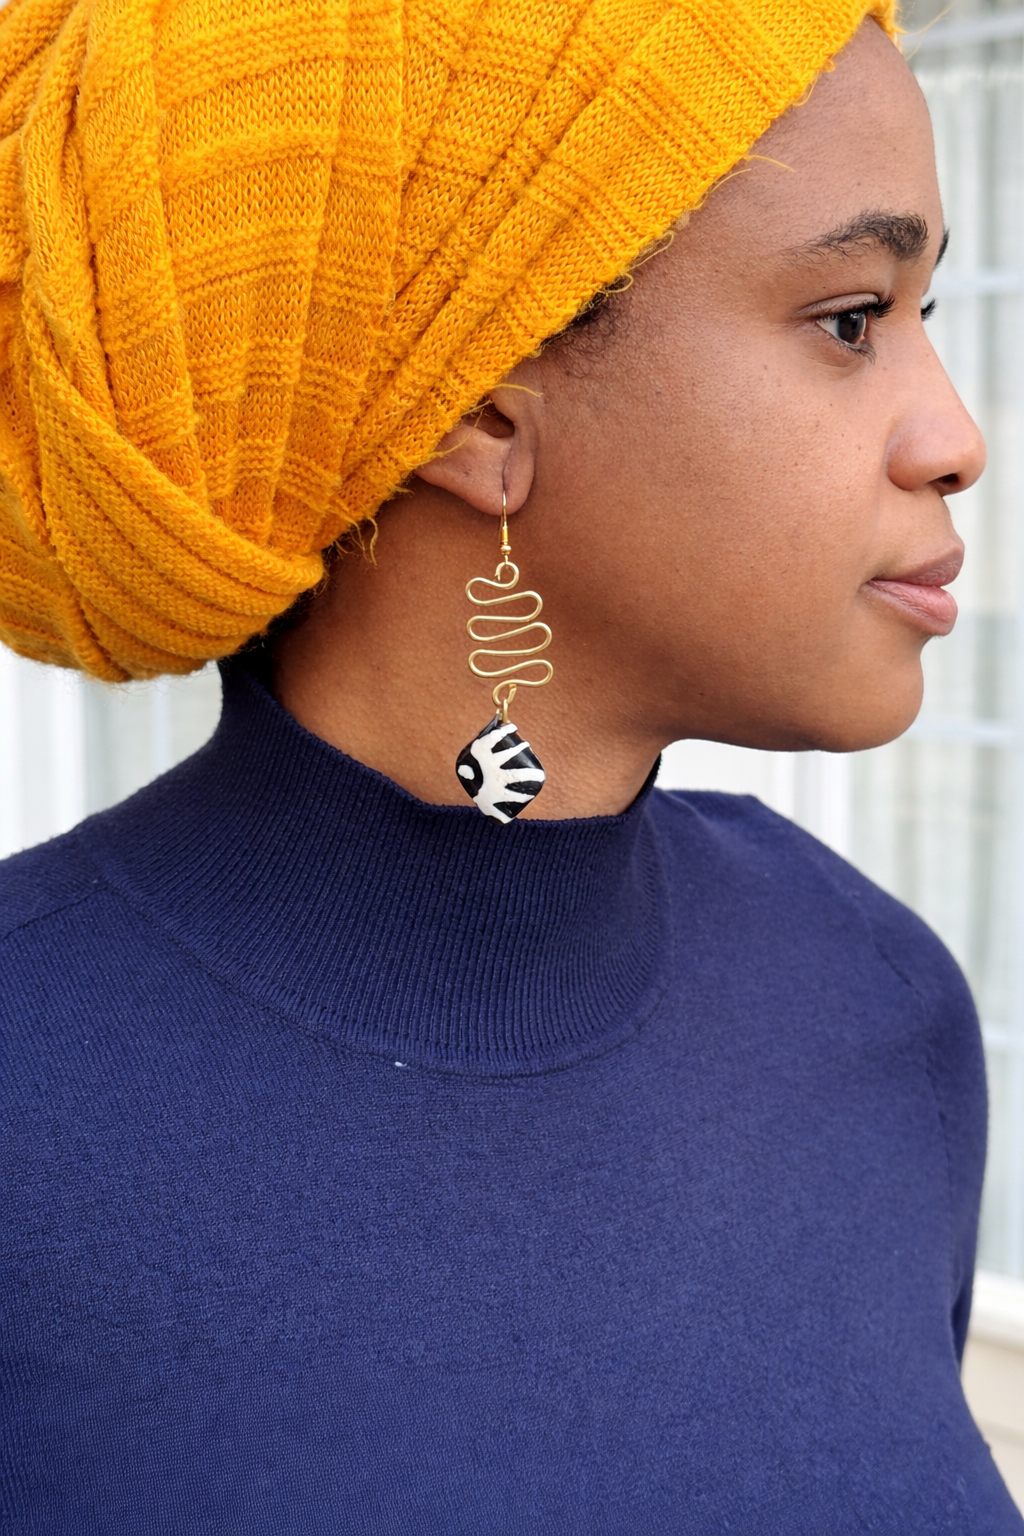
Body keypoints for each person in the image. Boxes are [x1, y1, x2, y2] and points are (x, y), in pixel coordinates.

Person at [0, 0, 1018, 1529]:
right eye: (851, 319)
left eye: (921, 310)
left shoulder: (870, 1001)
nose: (954, 437)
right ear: (480, 411)